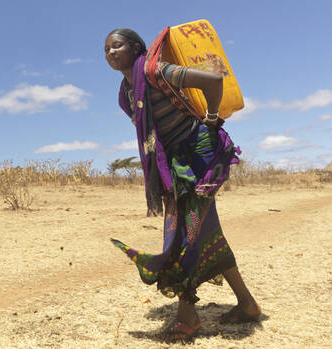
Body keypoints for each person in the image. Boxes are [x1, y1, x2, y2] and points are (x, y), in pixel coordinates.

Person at [105, 28, 261, 341]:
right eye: (106, 49)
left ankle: (187, 315)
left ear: (136, 48)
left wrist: (213, 118)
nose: (111, 53)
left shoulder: (154, 70)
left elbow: (212, 81)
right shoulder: (126, 94)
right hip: (174, 166)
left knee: (185, 234)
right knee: (204, 230)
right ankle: (247, 304)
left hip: (199, 156)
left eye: (117, 45)